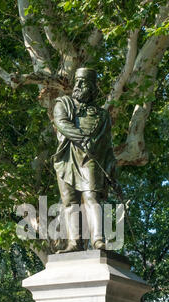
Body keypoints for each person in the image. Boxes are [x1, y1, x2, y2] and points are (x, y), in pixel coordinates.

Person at [52, 68, 116, 252]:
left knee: (91, 196)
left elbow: (108, 146)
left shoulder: (102, 115)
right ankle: (75, 243)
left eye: (83, 83)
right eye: (77, 81)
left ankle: (97, 240)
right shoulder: (63, 103)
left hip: (90, 158)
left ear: (93, 88)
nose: (78, 86)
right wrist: (82, 138)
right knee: (70, 201)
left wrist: (112, 169)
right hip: (67, 157)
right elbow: (62, 123)